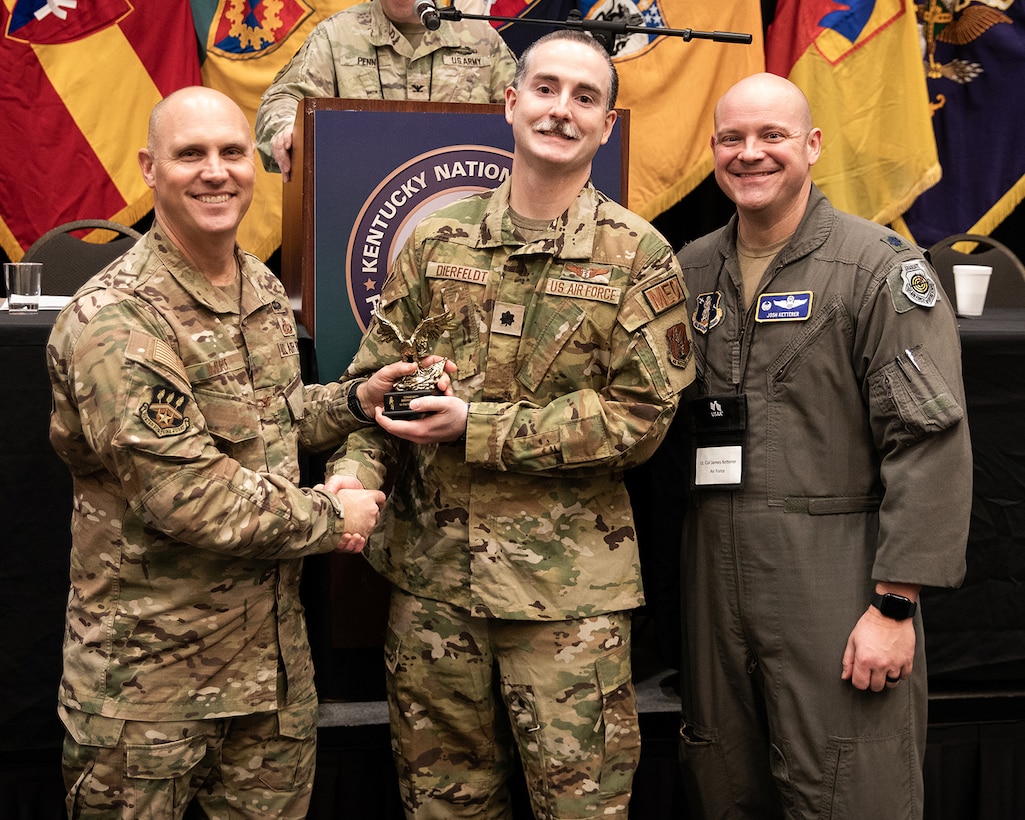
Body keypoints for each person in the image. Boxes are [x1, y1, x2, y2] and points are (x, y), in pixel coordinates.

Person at [324, 29, 695, 819]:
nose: (561, 110)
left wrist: (476, 427)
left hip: (564, 606)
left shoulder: (638, 257)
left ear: (606, 125)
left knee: (582, 810)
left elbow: (639, 420)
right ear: (510, 101)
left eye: (584, 98)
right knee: (442, 806)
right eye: (547, 89)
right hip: (430, 595)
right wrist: (354, 471)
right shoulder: (435, 238)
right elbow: (377, 391)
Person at [46, 86, 436, 818]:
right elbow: (183, 494)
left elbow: (273, 421)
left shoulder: (258, 284)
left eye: (230, 152)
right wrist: (333, 514)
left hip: (271, 680)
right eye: (190, 154)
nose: (215, 171)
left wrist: (354, 401)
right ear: (149, 169)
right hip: (148, 697)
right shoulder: (115, 319)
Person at [674, 72, 972, 818]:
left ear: (810, 146)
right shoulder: (688, 269)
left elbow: (928, 441)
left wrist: (895, 605)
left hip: (833, 577)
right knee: (723, 780)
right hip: (713, 567)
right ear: (712, 150)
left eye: (771, 136)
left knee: (849, 787)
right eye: (732, 138)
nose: (750, 154)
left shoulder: (878, 269)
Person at [255, 0, 518, 181]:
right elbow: (283, 99)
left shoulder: (483, 41)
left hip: (462, 211)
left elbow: (523, 110)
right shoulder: (336, 35)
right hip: (359, 207)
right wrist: (288, 126)